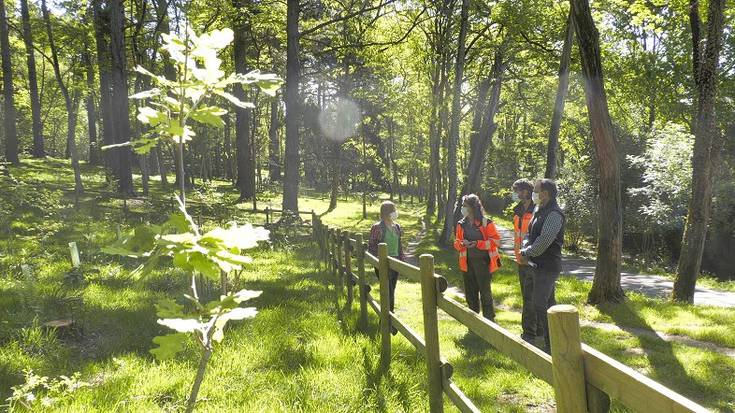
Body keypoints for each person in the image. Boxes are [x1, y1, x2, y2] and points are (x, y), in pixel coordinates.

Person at [520, 179, 565, 353]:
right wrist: (525, 248)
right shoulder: (539, 209)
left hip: (548, 267)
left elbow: (544, 240)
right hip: (535, 265)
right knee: (548, 304)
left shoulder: (554, 214)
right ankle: (555, 340)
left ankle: (551, 344)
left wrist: (527, 252)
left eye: (536, 190)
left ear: (545, 194)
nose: (533, 193)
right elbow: (529, 234)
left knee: (540, 304)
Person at [453, 194, 501, 321]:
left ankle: (489, 321)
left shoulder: (486, 223)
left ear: (473, 208)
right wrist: (462, 244)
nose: (462, 208)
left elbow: (496, 241)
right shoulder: (460, 224)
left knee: (485, 294)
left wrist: (477, 244)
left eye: (465, 206)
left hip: (483, 264)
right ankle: (473, 321)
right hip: (467, 263)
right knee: (470, 294)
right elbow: (456, 242)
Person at [368, 201, 405, 319]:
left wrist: (402, 262)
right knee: (387, 290)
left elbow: (399, 245)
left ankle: (389, 317)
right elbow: (372, 246)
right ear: (386, 213)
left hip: (396, 263)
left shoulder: (397, 226)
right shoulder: (377, 227)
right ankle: (388, 317)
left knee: (392, 290)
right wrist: (378, 262)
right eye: (393, 210)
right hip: (383, 263)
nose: (395, 213)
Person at [512, 179, 536, 343]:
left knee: (532, 297)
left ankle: (530, 332)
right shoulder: (517, 211)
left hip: (533, 260)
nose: (517, 194)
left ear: (527, 191)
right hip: (520, 260)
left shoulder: (537, 210)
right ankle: (532, 330)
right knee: (526, 297)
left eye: (519, 191)